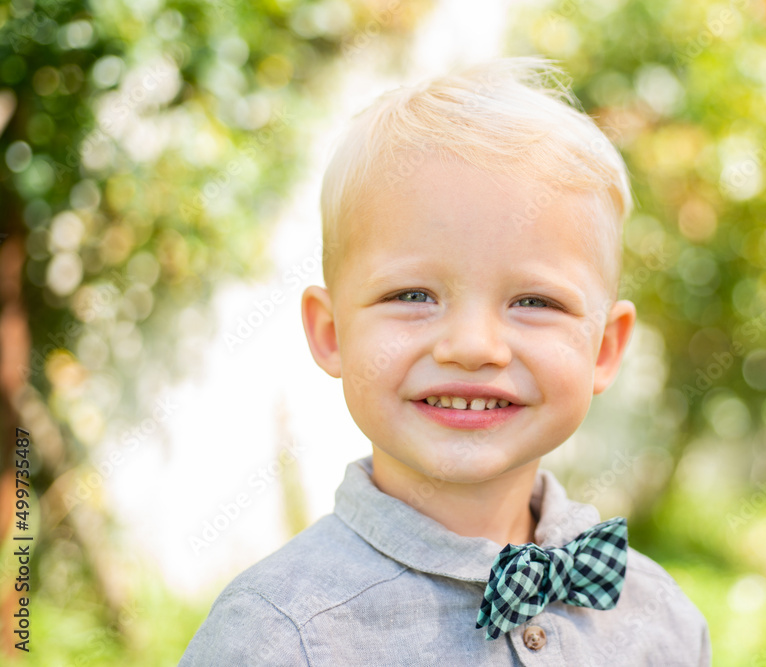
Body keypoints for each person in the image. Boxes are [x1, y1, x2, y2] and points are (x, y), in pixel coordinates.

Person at [179, 55, 711, 666]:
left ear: (605, 348)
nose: (473, 346)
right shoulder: (276, 638)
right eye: (413, 296)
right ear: (330, 332)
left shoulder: (661, 620)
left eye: (534, 301)